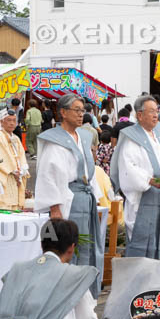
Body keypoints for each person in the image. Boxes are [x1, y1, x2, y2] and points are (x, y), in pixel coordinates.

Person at [35, 94, 103, 294]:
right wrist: (55, 207)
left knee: (88, 246)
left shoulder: (83, 137)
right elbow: (48, 174)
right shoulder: (55, 141)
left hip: (85, 197)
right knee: (70, 247)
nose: (81, 114)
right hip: (69, 198)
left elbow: (89, 171)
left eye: (83, 110)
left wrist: (96, 200)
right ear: (63, 113)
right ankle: (67, 294)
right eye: (76, 110)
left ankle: (86, 294)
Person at [110, 95, 160, 260]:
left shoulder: (158, 135)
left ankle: (158, 279)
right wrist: (149, 180)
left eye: (157, 111)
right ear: (139, 115)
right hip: (143, 196)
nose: (156, 115)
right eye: (151, 112)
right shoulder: (131, 138)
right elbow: (128, 167)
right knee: (142, 239)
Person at [0, 110, 29, 209]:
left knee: (15, 203)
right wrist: (13, 170)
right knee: (6, 203)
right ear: (2, 122)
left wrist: (22, 169)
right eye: (8, 120)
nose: (12, 123)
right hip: (6, 174)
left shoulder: (15, 138)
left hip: (17, 175)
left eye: (14, 120)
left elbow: (22, 155)